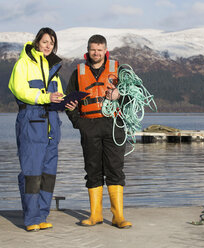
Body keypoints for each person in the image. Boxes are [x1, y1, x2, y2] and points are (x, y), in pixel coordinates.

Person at [8, 27, 77, 232]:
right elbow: (18, 89)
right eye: (45, 41)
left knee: (48, 174)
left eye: (52, 43)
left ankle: (42, 215)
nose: (48, 46)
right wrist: (46, 97)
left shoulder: (53, 68)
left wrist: (67, 103)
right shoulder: (23, 63)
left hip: (51, 125)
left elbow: (58, 95)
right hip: (31, 122)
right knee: (32, 174)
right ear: (37, 41)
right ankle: (31, 219)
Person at [66, 34, 132, 229]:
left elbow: (134, 95)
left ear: (105, 51)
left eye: (99, 49)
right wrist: (78, 123)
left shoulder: (118, 70)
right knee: (93, 170)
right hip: (89, 125)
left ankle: (117, 216)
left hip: (114, 124)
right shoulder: (78, 72)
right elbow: (70, 102)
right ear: (88, 50)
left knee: (115, 169)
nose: (96, 53)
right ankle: (95, 215)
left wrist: (120, 94)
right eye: (93, 49)